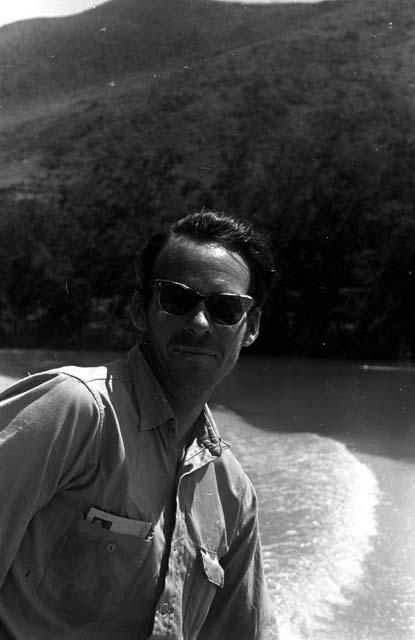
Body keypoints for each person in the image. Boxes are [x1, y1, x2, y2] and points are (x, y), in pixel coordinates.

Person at [0, 210, 279, 639]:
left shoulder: (232, 494)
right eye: (177, 300)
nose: (200, 323)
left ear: (251, 327)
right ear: (139, 310)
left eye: (226, 308)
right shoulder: (74, 411)